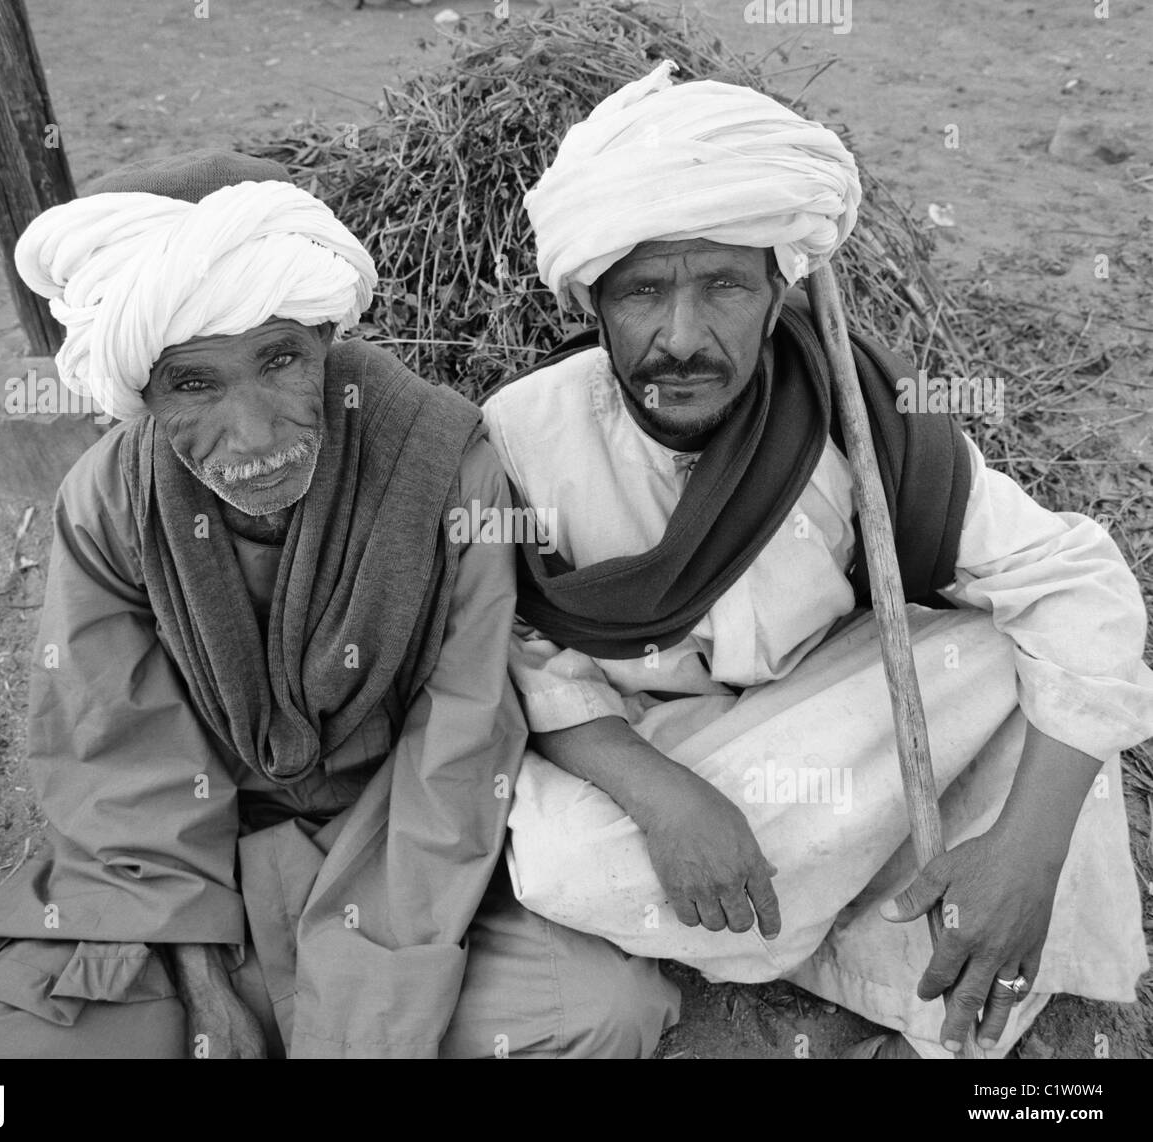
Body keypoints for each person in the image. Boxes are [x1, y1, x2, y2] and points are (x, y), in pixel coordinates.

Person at [0, 150, 678, 1059]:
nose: (254, 436)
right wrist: (204, 985)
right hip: (194, 882)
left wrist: (369, 1013)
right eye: (193, 383)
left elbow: (461, 745)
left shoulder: (443, 466)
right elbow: (120, 761)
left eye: (278, 361)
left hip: (397, 851)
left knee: (602, 1011)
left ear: (325, 339)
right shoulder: (110, 500)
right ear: (141, 393)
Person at [482, 63, 1153, 1059]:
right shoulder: (523, 436)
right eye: (642, 293)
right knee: (566, 862)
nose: (681, 337)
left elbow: (1079, 585)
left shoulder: (854, 412)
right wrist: (665, 799)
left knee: (1014, 665)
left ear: (774, 290)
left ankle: (952, 963)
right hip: (660, 751)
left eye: (720, 286)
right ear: (593, 301)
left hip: (834, 722)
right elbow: (525, 653)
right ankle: (836, 941)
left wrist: (1026, 853)